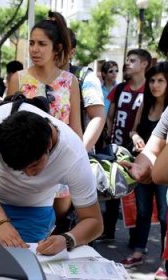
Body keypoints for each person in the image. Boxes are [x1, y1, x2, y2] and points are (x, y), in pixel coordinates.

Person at [0, 101, 103, 254]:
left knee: (27, 265)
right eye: (18, 169)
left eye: (33, 166)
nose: (27, 175)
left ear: (48, 144)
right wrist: (1, 222)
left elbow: (94, 221)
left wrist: (66, 239)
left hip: (36, 210)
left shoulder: (74, 156)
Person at [120, 62, 168, 270]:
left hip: (162, 169)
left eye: (161, 81)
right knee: (142, 211)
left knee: (165, 213)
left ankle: (164, 261)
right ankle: (138, 250)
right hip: (144, 165)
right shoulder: (146, 104)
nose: (155, 85)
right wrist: (137, 136)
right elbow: (134, 132)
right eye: (152, 80)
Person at [101, 49, 152, 242]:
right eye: (128, 60)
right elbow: (111, 115)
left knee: (137, 197)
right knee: (113, 189)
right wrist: (109, 134)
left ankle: (136, 240)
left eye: (132, 60)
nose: (127, 64)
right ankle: (108, 231)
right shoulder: (120, 88)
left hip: (138, 150)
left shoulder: (150, 88)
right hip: (116, 146)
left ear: (144, 64)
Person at [7, 11, 82, 139]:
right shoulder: (18, 79)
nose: (34, 49)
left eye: (42, 44)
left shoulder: (70, 81)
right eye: (31, 43)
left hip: (62, 155)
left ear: (57, 48)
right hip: (24, 154)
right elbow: (8, 126)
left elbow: (76, 132)